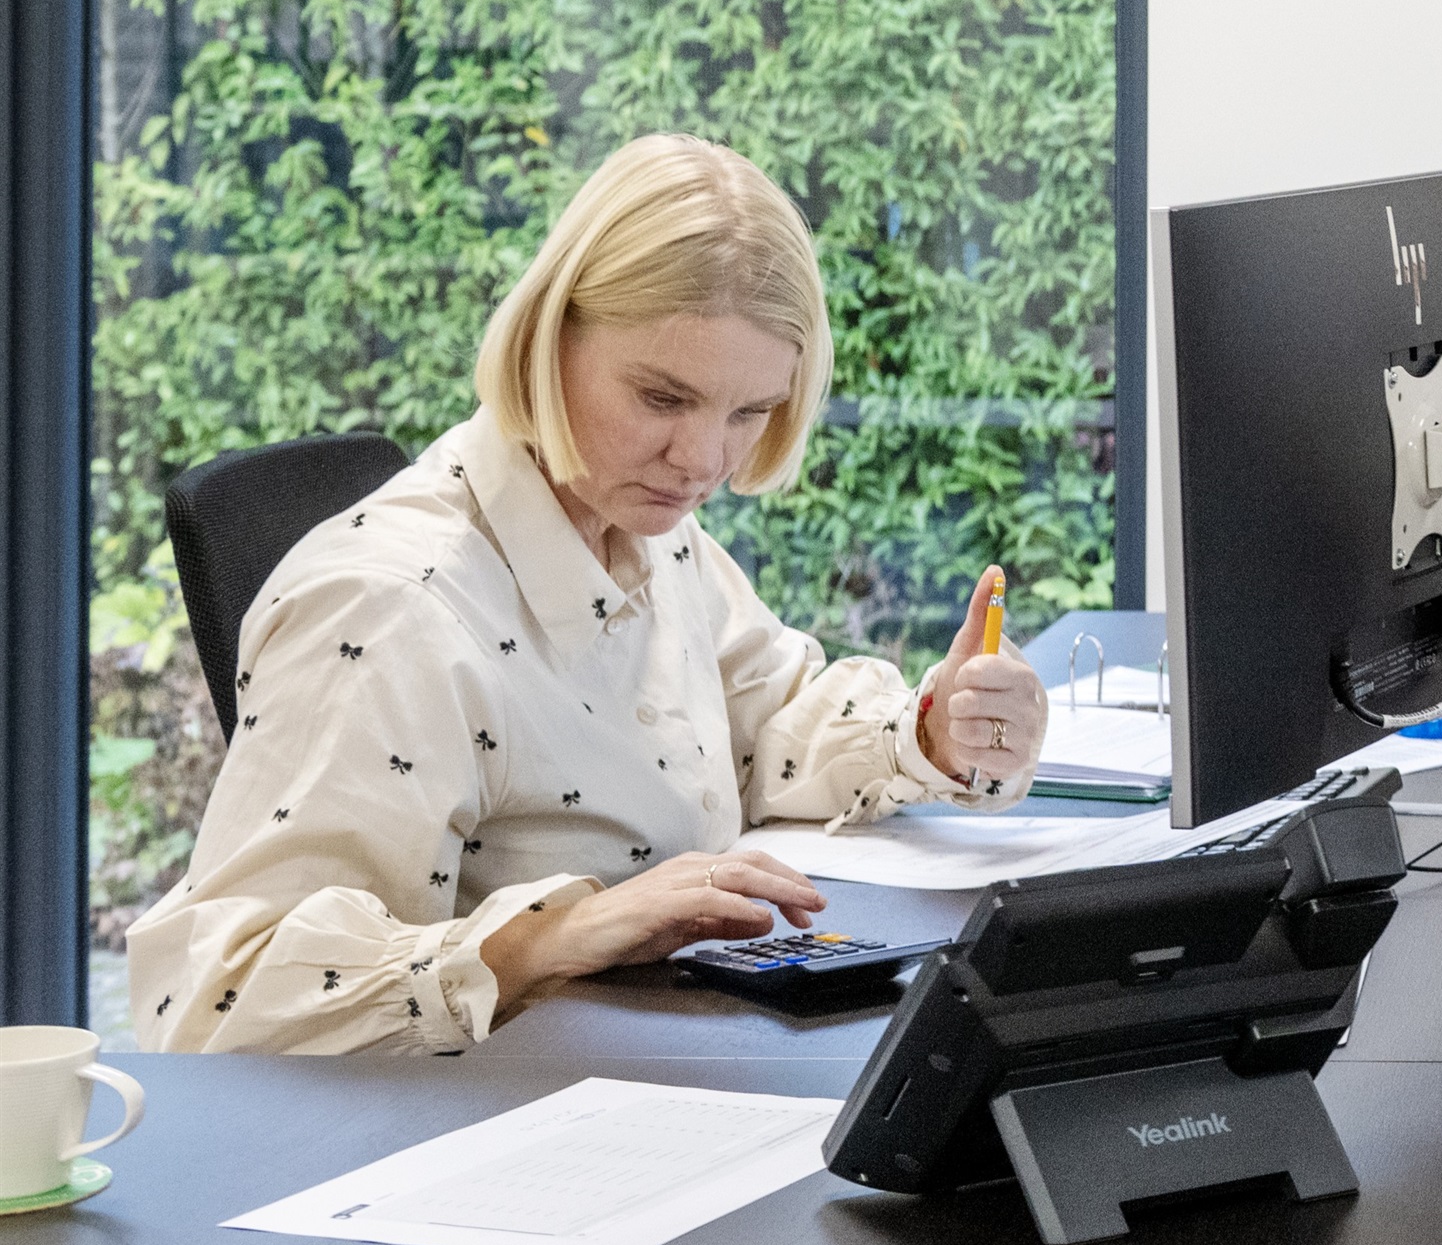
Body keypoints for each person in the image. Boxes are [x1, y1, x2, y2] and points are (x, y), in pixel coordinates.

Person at [129, 135, 1051, 1054]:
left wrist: (933, 730)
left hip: (637, 1061)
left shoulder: (641, 526)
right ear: (548, 336)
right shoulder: (391, 613)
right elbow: (215, 1003)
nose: (703, 461)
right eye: (662, 399)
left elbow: (763, 720)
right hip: (483, 1112)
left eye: (748, 413)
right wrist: (550, 938)